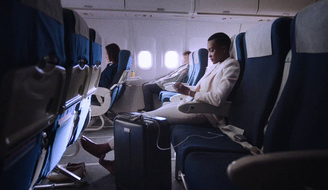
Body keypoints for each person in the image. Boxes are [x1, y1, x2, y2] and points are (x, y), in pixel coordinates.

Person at [81, 32, 240, 174]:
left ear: (224, 49)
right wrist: (185, 89)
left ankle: (106, 149)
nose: (210, 54)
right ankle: (118, 163)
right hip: (191, 103)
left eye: (212, 50)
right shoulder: (216, 66)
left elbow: (218, 98)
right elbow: (202, 88)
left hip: (203, 111)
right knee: (144, 120)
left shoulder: (231, 66)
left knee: (142, 119)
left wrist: (189, 92)